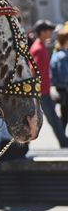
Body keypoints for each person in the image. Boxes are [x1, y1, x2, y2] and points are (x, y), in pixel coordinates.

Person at [29, 19, 68, 148]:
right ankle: (64, 142)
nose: (51, 33)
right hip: (41, 92)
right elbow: (33, 71)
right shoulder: (39, 48)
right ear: (42, 32)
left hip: (42, 90)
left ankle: (64, 142)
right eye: (49, 30)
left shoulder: (39, 46)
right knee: (54, 120)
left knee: (54, 119)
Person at [50, 27, 68, 130]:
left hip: (62, 90)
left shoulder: (58, 52)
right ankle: (63, 139)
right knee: (64, 116)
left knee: (64, 115)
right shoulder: (62, 56)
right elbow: (64, 77)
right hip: (65, 90)